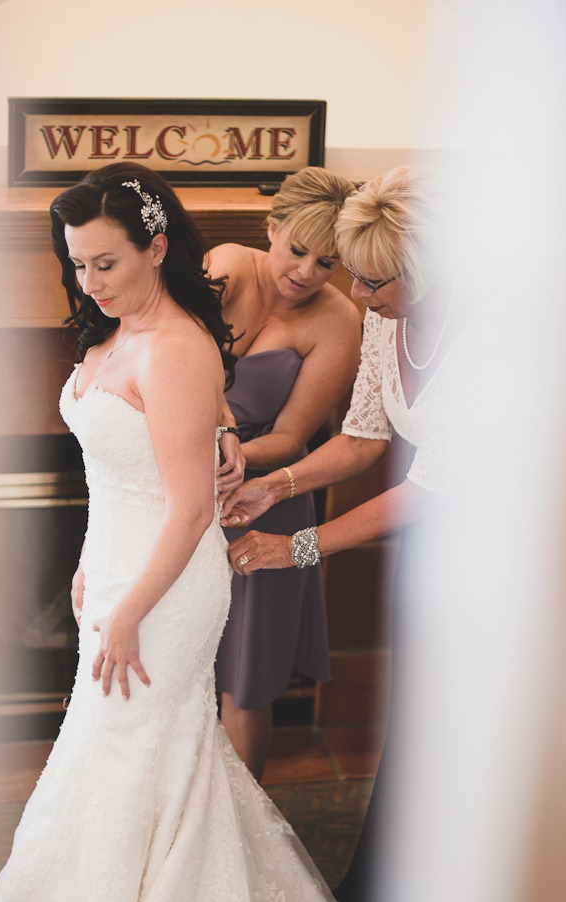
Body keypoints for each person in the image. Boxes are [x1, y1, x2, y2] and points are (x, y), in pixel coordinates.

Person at [0, 162, 418, 902]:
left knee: (150, 766)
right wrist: (85, 570)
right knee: (105, 762)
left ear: (159, 244)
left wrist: (130, 614)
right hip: (117, 576)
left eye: (109, 262)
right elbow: (110, 477)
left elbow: (192, 507)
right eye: (77, 267)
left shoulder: (179, 350)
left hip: (164, 592)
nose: (93, 283)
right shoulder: (117, 333)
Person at [222, 165, 487, 902]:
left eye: (376, 284)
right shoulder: (383, 318)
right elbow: (364, 441)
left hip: (506, 556)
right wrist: (275, 486)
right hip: (435, 553)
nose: (359, 299)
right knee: (421, 718)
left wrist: (297, 547)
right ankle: (402, 887)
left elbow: (429, 489)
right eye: (360, 280)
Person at [209, 168, 362, 779]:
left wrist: (236, 460)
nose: (305, 272)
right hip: (178, 474)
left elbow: (294, 437)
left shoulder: (339, 320)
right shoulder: (225, 266)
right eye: (296, 250)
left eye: (327, 263)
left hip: (269, 492)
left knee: (244, 680)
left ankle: (238, 830)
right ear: (270, 229)